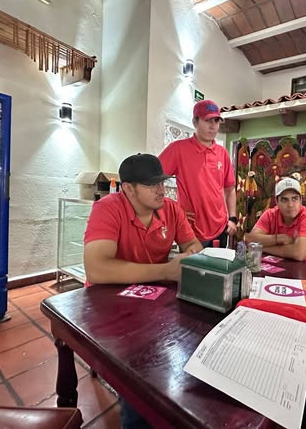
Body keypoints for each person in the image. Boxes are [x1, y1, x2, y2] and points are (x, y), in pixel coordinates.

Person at [84, 153, 202, 429]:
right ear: (128, 188)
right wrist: (166, 271)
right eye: (151, 184)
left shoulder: (170, 208)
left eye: (162, 182)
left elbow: (194, 246)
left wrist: (189, 256)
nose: (161, 190)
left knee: (190, 341)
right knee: (138, 370)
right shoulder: (107, 208)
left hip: (153, 300)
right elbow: (97, 269)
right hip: (108, 303)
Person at [159, 100, 237, 248]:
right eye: (207, 120)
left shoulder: (222, 153)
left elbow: (230, 188)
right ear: (195, 122)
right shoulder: (178, 149)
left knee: (218, 263)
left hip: (220, 228)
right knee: (191, 264)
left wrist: (232, 218)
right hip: (191, 230)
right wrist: (173, 209)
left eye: (216, 121)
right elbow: (151, 179)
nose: (213, 126)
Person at [245, 177, 306, 262]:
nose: (290, 205)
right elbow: (250, 240)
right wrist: (280, 238)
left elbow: (298, 253)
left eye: (294, 199)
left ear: (301, 200)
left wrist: (263, 248)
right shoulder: (270, 214)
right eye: (284, 199)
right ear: (277, 202)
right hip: (276, 266)